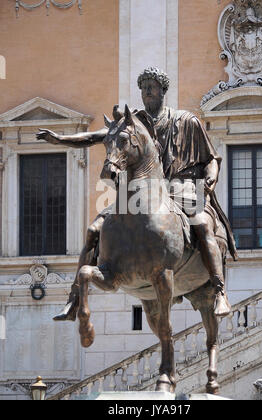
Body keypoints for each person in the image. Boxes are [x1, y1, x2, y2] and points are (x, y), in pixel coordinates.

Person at [37, 67, 237, 321]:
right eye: (143, 89)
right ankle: (74, 298)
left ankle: (220, 291)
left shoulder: (187, 121)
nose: (146, 93)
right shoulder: (134, 124)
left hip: (183, 185)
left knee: (203, 225)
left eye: (151, 88)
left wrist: (212, 175)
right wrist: (62, 140)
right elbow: (96, 136)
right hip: (143, 190)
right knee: (94, 230)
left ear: (163, 91)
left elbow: (212, 158)